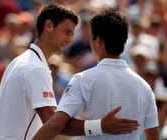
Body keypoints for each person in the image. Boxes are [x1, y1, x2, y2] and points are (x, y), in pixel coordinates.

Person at [0, 4, 139, 140]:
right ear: (49, 26)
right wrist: (101, 126)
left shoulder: (17, 62)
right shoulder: (36, 68)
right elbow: (54, 123)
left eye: (72, 33)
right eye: (67, 32)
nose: (70, 39)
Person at [33, 9, 159, 140]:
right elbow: (153, 135)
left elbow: (56, 124)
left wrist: (99, 127)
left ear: (98, 41)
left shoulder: (82, 80)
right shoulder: (144, 87)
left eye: (91, 37)